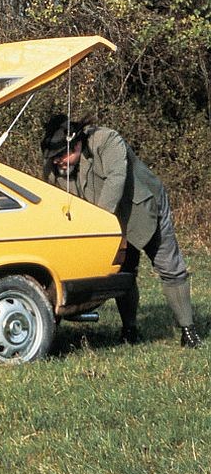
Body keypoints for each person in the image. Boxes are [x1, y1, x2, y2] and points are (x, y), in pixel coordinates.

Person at [40, 114, 202, 348]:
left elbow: (116, 178)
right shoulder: (55, 166)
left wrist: (100, 225)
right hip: (110, 222)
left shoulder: (107, 140)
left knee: (170, 268)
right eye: (53, 157)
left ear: (76, 145)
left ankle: (188, 330)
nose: (57, 162)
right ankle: (129, 330)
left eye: (60, 156)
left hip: (144, 209)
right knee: (124, 272)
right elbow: (51, 199)